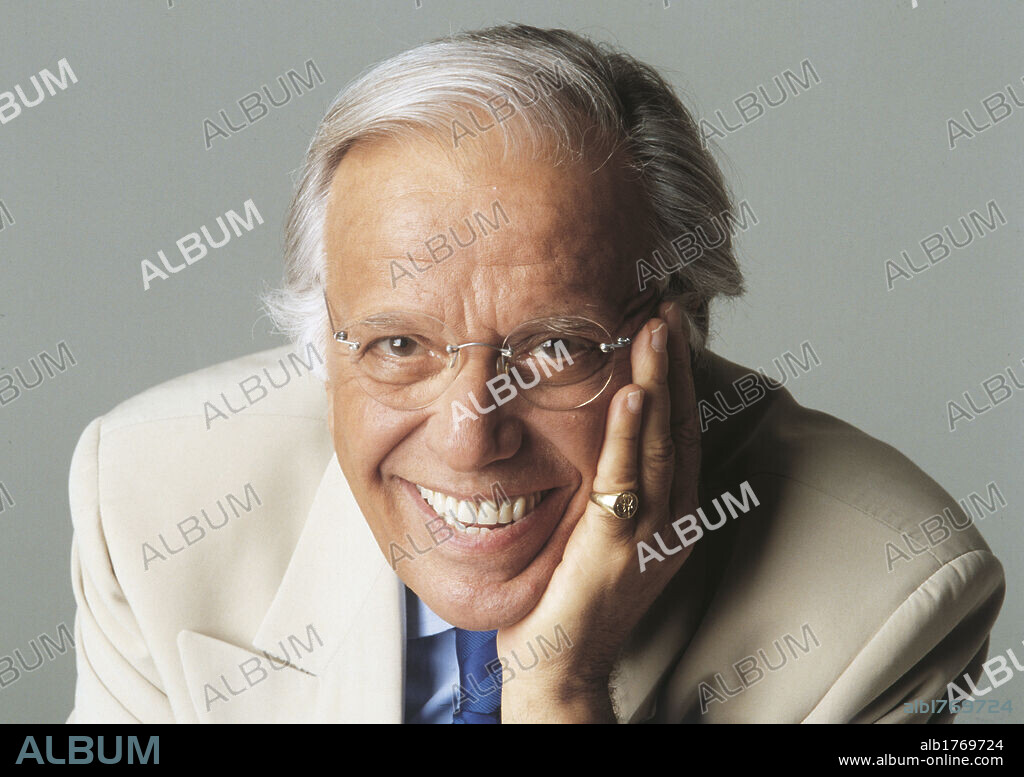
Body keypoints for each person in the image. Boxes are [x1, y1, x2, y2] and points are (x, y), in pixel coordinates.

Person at [66, 24, 1003, 723]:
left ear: (681, 338)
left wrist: (561, 686)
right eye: (398, 346)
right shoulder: (152, 501)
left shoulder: (891, 594)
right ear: (322, 341)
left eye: (557, 350)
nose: (471, 434)